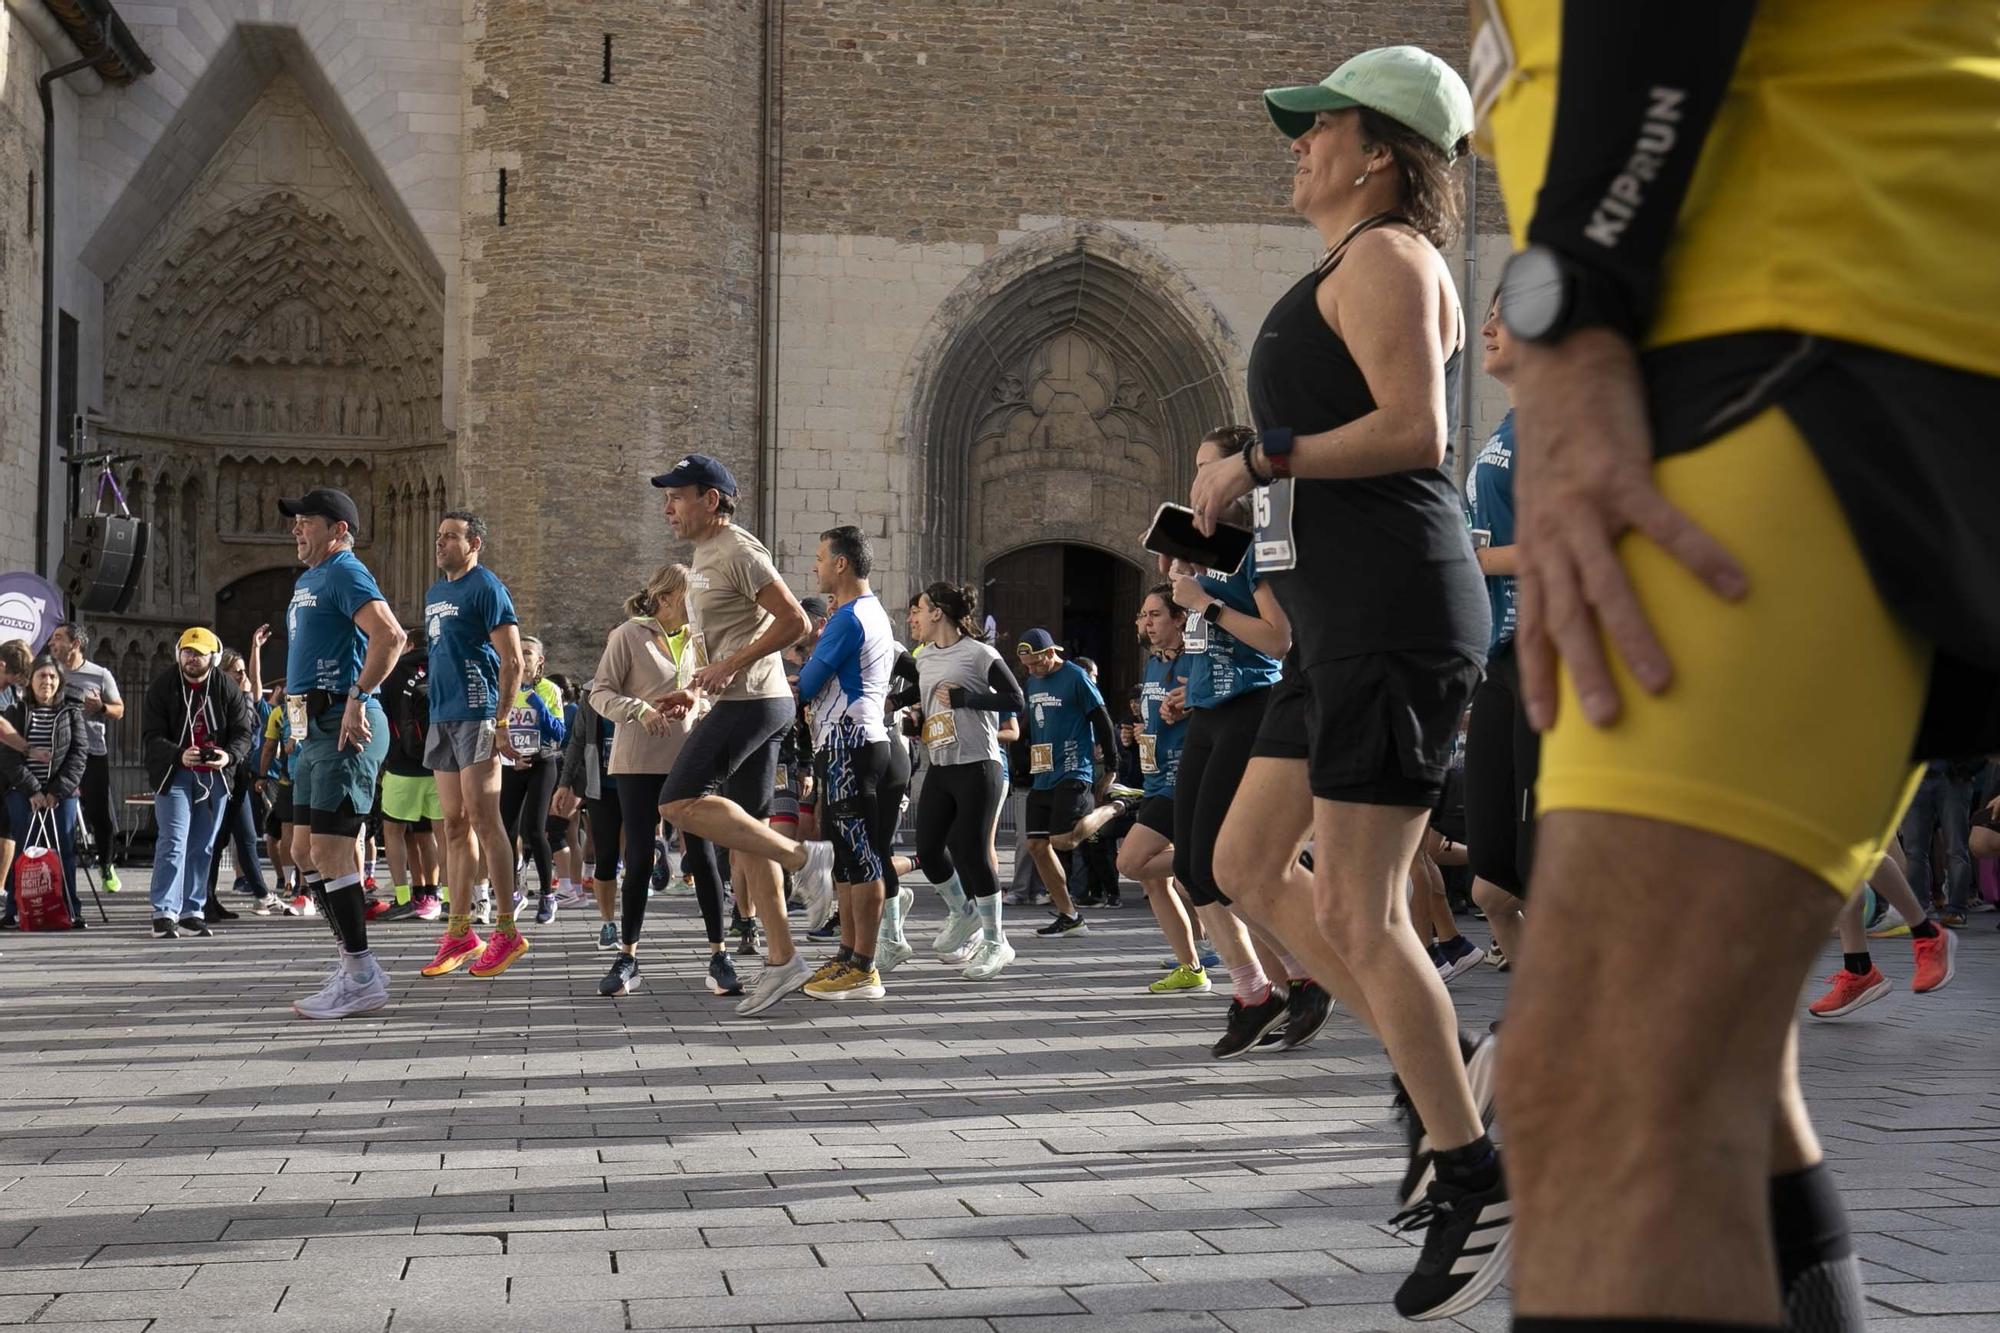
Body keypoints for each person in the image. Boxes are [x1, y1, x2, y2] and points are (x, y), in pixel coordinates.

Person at [1480, 3, 2000, 1328]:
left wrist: (1577, 294)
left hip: (1795, 295)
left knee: (1605, 1083)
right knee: (1715, 1067)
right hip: (1842, 279)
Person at [1189, 46, 1500, 1319]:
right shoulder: (1344, 261)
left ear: (1378, 149)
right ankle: (1442, 1068)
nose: (1296, 143)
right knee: (1245, 867)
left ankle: (1475, 1172)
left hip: (1392, 616)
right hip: (1335, 623)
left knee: (1367, 913)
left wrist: (1261, 458)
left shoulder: (1388, 258)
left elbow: (1415, 431)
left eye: (1317, 126)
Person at [646, 454, 833, 1018]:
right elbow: (722, 636)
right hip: (736, 698)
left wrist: (730, 666)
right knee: (746, 837)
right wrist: (698, 689)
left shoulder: (740, 549)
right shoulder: (704, 556)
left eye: (678, 495)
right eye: (668, 496)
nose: (668, 506)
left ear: (712, 499)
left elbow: (795, 621)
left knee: (677, 802)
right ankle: (782, 960)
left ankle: (806, 858)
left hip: (756, 701)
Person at [279, 487, 406, 1018]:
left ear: (337, 529)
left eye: (305, 521)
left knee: (331, 852)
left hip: (342, 726)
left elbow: (391, 636)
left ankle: (361, 975)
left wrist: (359, 696)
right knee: (304, 852)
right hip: (313, 731)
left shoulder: (346, 570)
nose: (295, 530)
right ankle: (354, 965)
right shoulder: (310, 579)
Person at [586, 561, 735, 997]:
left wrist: (699, 705)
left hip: (689, 759)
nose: (700, 606)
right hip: (637, 760)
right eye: (694, 596)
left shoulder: (701, 639)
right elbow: (599, 692)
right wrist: (640, 710)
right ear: (667, 598)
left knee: (704, 858)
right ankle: (628, 957)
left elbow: (716, 693)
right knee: (637, 862)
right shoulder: (628, 635)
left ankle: (719, 955)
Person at [418, 510, 528, 981]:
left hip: (479, 713)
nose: (441, 543)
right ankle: (459, 931)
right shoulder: (436, 592)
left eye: (451, 537)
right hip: (441, 717)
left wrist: (502, 720)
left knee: (485, 818)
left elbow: (515, 660)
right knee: (453, 824)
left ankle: (506, 929)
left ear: (475, 542)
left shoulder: (486, 587)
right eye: (439, 536)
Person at [794, 527, 900, 1000]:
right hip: (848, 744)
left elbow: (810, 681)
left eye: (820, 558)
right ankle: (846, 954)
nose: (815, 567)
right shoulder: (865, 612)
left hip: (850, 746)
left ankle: (864, 965)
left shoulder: (849, 617)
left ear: (841, 564)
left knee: (860, 856)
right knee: (847, 857)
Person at [1460, 297, 1531, 971]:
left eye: (1503, 316)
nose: (1486, 328)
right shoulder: (1509, 423)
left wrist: (1471, 559)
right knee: (1491, 881)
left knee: (1540, 871)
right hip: (1502, 659)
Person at [904, 582, 1025, 979]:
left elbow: (1015, 699)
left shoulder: (979, 653)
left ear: (938, 612)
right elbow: (919, 697)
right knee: (929, 848)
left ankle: (996, 942)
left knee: (972, 852)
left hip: (978, 764)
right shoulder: (923, 657)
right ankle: (963, 913)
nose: (914, 618)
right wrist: (909, 716)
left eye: (919, 609)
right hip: (939, 764)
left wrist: (968, 699)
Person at [140, 628, 257, 938]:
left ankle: (193, 910)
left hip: (214, 776)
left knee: (204, 845)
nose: (191, 658)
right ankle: (164, 911)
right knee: (174, 841)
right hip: (175, 773)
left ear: (213, 657)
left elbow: (243, 734)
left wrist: (227, 757)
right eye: (187, 652)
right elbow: (151, 738)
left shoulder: (226, 687)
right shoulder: (163, 686)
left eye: (198, 653)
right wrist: (180, 755)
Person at [1122, 587, 1204, 993]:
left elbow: (1214, 709)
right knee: (1155, 880)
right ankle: (1191, 968)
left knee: (1131, 863)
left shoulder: (1197, 661)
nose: (1147, 623)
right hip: (1154, 778)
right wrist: (1139, 733)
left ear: (1179, 619)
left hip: (1182, 779)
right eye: (1143, 615)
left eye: (1155, 615)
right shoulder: (1154, 665)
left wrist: (1193, 702)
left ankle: (1203, 858)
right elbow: (1159, 719)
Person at [1016, 629, 1117, 938]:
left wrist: (1112, 764)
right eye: (1026, 666)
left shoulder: (1076, 677)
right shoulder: (1032, 682)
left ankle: (1115, 807)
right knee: (1036, 844)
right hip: (1044, 772)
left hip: (1074, 768)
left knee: (1063, 840)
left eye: (1035, 663)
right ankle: (1069, 915)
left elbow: (1101, 717)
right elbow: (1030, 725)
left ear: (1050, 654)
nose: (1031, 670)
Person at [0, 655, 88, 926]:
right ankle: (16, 910)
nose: (47, 681)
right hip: (24, 793)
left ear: (59, 681)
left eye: (52, 677)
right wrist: (34, 790)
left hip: (61, 796)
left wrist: (56, 791)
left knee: (64, 849)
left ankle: (70, 909)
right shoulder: (17, 710)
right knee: (24, 849)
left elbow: (79, 754)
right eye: (41, 676)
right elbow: (8, 755)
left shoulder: (71, 712)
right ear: (31, 681)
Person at [46, 623, 124, 893]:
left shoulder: (100, 675)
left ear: (75, 644)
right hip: (57, 754)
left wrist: (101, 707)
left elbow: (120, 710)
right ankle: (54, 871)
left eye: (58, 638)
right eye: (52, 638)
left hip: (92, 751)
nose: (51, 643)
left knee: (98, 812)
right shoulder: (49, 672)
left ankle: (106, 865)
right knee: (54, 810)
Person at [197, 649, 271, 923]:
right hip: (223, 774)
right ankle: (206, 899)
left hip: (239, 776)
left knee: (243, 836)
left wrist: (256, 650)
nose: (243, 677)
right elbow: (247, 734)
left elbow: (253, 729)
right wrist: (247, 696)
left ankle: (218, 897)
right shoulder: (224, 700)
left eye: (243, 671)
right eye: (236, 672)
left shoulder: (242, 698)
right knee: (217, 840)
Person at [498, 634, 567, 926]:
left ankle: (547, 895)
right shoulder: (504, 685)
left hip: (542, 762)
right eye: (519, 651)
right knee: (505, 830)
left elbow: (559, 733)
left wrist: (538, 706)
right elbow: (494, 727)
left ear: (539, 660)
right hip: (511, 763)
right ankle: (512, 891)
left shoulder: (550, 690)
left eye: (528, 652)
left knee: (535, 831)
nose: (523, 657)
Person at [378, 632, 442, 918]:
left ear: (410, 644)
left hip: (402, 767)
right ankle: (441, 896)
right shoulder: (444, 666)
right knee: (435, 834)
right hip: (440, 767)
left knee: (395, 832)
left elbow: (383, 718)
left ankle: (404, 897)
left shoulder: (392, 672)